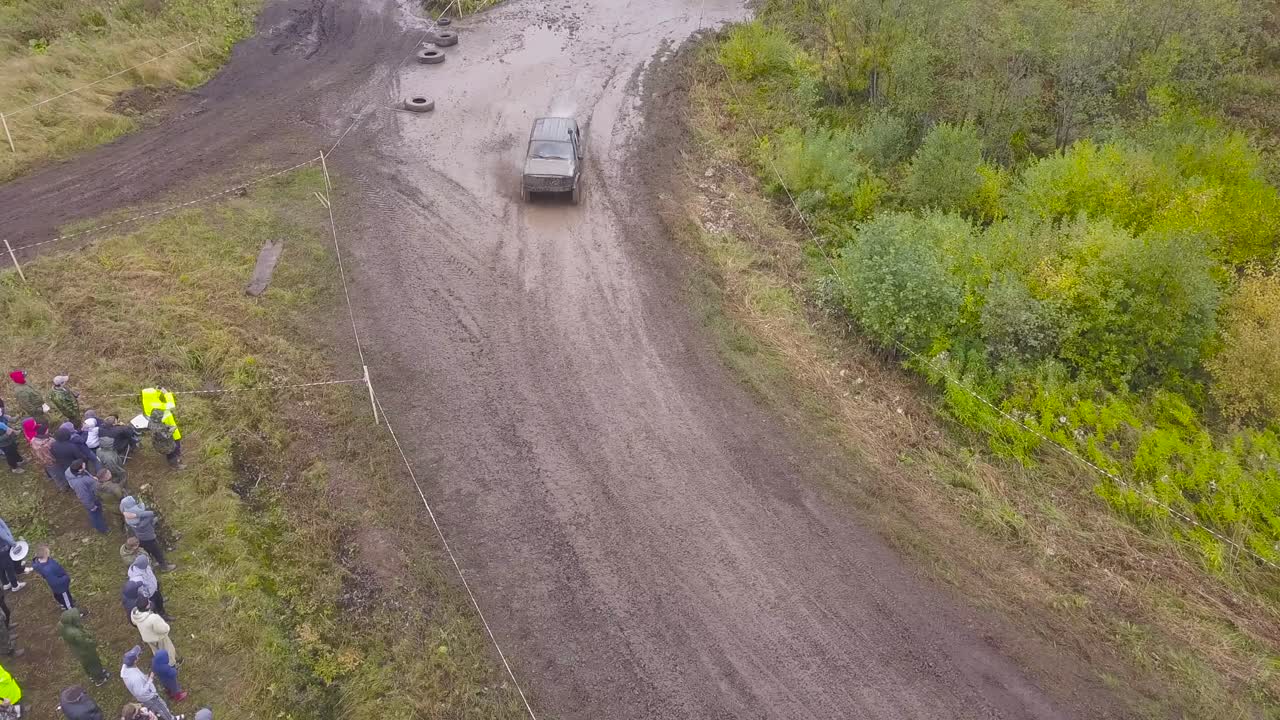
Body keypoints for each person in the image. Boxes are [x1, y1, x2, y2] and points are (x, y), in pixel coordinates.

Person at [120, 646, 181, 720]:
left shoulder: (126, 667)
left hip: (145, 696)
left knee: (156, 708)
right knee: (162, 707)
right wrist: (150, 680)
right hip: (149, 697)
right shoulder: (135, 678)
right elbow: (140, 692)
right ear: (135, 661)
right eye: (137, 656)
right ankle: (171, 718)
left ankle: (159, 715)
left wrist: (145, 678)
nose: (138, 656)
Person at [120, 497, 175, 571]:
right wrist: (137, 514)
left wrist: (133, 514)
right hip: (149, 538)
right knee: (157, 552)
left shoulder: (128, 518)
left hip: (140, 538)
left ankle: (152, 564)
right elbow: (150, 513)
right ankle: (164, 567)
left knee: (147, 552)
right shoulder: (142, 519)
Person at [58, 608, 109, 686]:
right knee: (93, 664)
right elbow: (86, 643)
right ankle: (99, 679)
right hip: (86, 651)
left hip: (77, 650)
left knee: (86, 665)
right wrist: (93, 642)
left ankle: (92, 676)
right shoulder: (76, 633)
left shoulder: (61, 624)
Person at [32, 544, 80, 613]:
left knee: (58, 596)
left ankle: (63, 603)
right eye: (48, 551)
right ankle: (73, 612)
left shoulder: (37, 563)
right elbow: (55, 582)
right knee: (66, 600)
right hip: (61, 587)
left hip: (55, 587)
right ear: (46, 554)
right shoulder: (48, 568)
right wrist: (66, 578)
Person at [67, 460, 108, 534]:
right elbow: (83, 496)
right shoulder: (79, 484)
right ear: (79, 469)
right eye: (83, 465)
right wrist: (91, 506)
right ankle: (102, 529)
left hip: (93, 494)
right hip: (92, 499)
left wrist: (92, 478)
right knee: (95, 514)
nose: (84, 464)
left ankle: (100, 518)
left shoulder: (72, 471)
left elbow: (86, 474)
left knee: (98, 510)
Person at [131, 598, 178, 663]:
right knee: (168, 650)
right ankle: (172, 663)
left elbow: (134, 623)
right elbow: (162, 629)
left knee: (156, 651)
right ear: (147, 606)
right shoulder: (153, 618)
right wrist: (167, 628)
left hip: (148, 638)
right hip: (159, 638)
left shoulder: (134, 615)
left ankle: (160, 661)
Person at [97, 470, 128, 534]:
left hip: (108, 506)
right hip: (118, 506)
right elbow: (121, 497)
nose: (110, 473)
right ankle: (128, 530)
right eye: (108, 473)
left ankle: (121, 530)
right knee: (126, 517)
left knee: (117, 519)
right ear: (106, 477)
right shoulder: (114, 487)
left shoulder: (97, 486)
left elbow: (99, 497)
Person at [0, 519, 24, 593]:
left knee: (1, 568)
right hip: (3, 550)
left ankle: (6, 583)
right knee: (9, 568)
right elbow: (3, 535)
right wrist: (13, 543)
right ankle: (15, 586)